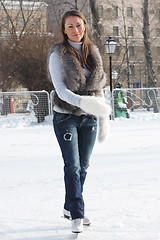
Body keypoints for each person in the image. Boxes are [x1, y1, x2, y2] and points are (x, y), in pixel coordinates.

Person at [48, 9, 111, 234]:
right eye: (70, 26)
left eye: (79, 25)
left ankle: (69, 205)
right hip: (65, 117)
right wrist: (87, 103)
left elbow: (99, 89)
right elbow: (61, 91)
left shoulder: (93, 52)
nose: (76, 30)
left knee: (83, 166)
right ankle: (77, 213)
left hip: (90, 118)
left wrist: (103, 117)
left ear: (84, 25)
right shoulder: (58, 54)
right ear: (64, 31)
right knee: (72, 166)